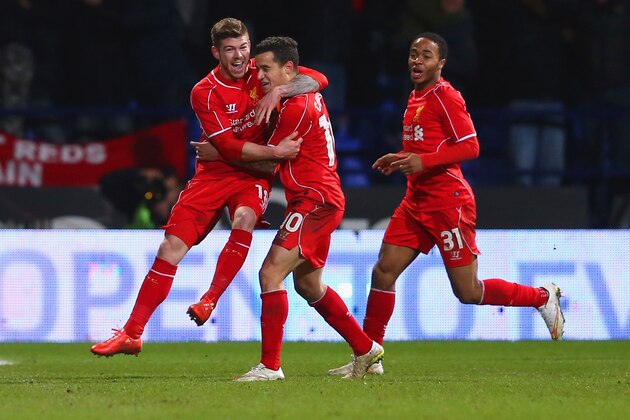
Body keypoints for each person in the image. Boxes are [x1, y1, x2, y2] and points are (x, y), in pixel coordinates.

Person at [328, 33, 565, 377]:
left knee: (468, 291)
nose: (417, 61)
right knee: (383, 271)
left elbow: (470, 147)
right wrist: (401, 159)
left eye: (426, 55)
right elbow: (425, 149)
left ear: (441, 64)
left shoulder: (446, 97)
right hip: (416, 201)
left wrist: (424, 163)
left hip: (448, 203)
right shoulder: (414, 97)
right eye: (413, 54)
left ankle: (542, 297)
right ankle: (368, 357)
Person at [90, 18, 327, 357]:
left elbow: (318, 79)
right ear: (216, 52)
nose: (240, 57)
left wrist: (279, 89)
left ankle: (210, 299)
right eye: (230, 50)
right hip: (212, 175)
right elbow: (228, 149)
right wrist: (274, 152)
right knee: (169, 248)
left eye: (244, 47)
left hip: (251, 176)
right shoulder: (204, 92)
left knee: (245, 218)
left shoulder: (262, 75)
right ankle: (132, 333)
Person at [199, 37, 384, 381]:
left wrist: (220, 152)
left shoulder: (295, 108)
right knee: (309, 286)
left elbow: (270, 164)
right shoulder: (302, 96)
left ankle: (270, 367)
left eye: (267, 69)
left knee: (270, 273)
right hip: (319, 196)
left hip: (316, 199)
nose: (262, 77)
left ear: (288, 69)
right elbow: (316, 81)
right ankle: (366, 350)